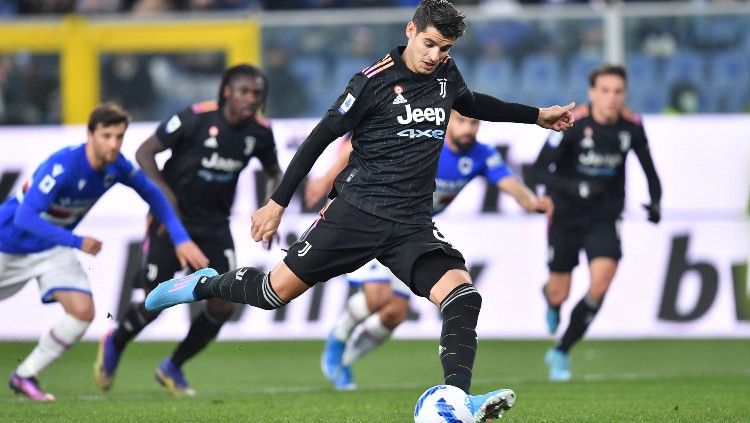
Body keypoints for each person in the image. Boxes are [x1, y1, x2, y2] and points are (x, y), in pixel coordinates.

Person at [144, 1, 574, 420]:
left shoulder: (444, 73)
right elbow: (318, 138)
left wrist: (537, 116)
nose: (435, 55)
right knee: (270, 294)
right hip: (356, 212)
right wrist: (277, 203)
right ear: (410, 30)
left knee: (463, 295)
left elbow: (473, 103)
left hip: (411, 223)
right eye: (429, 44)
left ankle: (455, 402)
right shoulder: (371, 82)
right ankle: (202, 285)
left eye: (445, 48)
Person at [311, 110, 553, 390]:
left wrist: (533, 203)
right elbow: (356, 143)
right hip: (377, 215)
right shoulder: (425, 140)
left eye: (474, 122)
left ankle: (344, 364)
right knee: (377, 296)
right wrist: (327, 179)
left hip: (411, 229)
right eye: (462, 121)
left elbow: (511, 185)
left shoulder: (481, 155)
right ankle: (338, 339)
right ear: (448, 119)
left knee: (395, 313)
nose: (468, 128)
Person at [94, 64, 283, 396]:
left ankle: (173, 366)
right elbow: (144, 152)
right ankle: (116, 341)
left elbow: (274, 172)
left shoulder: (260, 132)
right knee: (155, 301)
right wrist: (166, 199)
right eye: (244, 92)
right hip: (171, 223)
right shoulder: (195, 118)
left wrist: (272, 208)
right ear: (227, 91)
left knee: (224, 304)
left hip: (214, 226)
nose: (251, 99)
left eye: (257, 94)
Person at [0, 103, 207, 402]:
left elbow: (153, 194)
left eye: (119, 136)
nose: (113, 143)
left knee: (82, 312)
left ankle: (25, 375)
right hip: (8, 243)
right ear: (90, 134)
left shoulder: (117, 166)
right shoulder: (63, 166)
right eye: (106, 135)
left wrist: (180, 238)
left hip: (49, 247)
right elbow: (25, 218)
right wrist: (76, 241)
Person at [532, 64, 661, 382]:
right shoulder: (572, 124)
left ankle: (561, 350)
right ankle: (551, 299)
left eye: (617, 91)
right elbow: (536, 171)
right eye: (605, 91)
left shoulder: (632, 127)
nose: (611, 98)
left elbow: (649, 169)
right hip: (566, 215)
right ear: (592, 93)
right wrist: (569, 189)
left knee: (600, 285)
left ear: (624, 94)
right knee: (560, 291)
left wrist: (656, 201)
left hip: (605, 216)